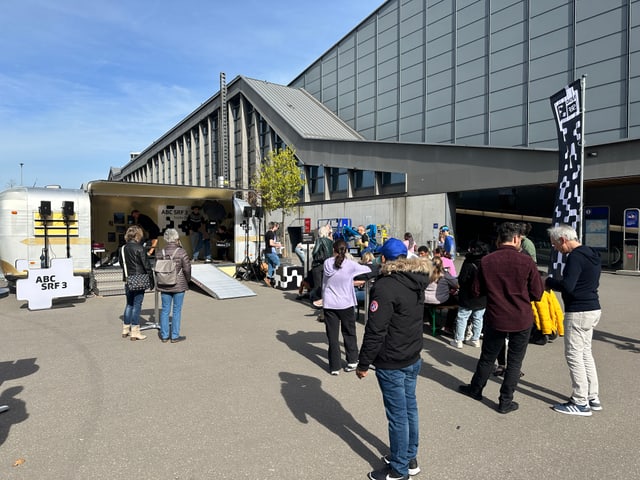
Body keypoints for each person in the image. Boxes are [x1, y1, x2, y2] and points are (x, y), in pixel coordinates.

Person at [356, 238, 431, 480]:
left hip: (393, 359)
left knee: (398, 414)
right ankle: (408, 456)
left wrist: (363, 363)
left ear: (385, 259)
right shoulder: (416, 279)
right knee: (409, 409)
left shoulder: (386, 286)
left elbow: (375, 329)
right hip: (412, 354)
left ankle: (399, 469)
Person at [458, 222, 543, 414]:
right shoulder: (527, 261)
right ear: (515, 238)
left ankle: (476, 389)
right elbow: (537, 293)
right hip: (521, 318)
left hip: (496, 316)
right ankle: (505, 401)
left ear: (500, 239)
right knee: (514, 362)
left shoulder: (487, 261)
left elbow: (476, 290)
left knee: (487, 358)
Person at [545, 224, 602, 416]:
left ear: (563, 240)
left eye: (555, 244)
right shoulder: (591, 254)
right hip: (593, 307)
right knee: (585, 353)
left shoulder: (575, 257)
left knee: (574, 355)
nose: (555, 248)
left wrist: (549, 281)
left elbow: (568, 286)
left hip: (578, 311)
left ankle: (580, 401)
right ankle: (592, 396)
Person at [322, 239, 373, 375]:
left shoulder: (327, 263)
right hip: (346, 303)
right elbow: (369, 269)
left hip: (330, 304)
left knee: (332, 337)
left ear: (333, 250)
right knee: (349, 333)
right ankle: (352, 361)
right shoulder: (351, 265)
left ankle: (334, 367)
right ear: (347, 251)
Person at [119, 225, 155, 341]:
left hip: (128, 279)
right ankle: (135, 332)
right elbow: (147, 266)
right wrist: (151, 280)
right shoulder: (140, 248)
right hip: (139, 279)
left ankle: (125, 329)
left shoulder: (122, 248)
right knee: (137, 305)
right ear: (137, 235)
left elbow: (121, 264)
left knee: (129, 304)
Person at [450, 240, 489, 349]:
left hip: (467, 295)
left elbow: (462, 279)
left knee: (462, 317)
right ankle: (475, 340)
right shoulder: (487, 262)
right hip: (482, 296)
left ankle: (458, 340)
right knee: (478, 318)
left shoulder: (468, 262)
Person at [157, 228, 191, 343]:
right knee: (177, 310)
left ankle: (164, 335)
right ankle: (175, 336)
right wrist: (188, 280)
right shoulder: (182, 252)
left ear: (166, 238)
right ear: (176, 238)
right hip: (179, 284)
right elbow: (187, 269)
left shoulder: (160, 252)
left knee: (165, 310)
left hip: (164, 284)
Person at [309, 225, 334, 302]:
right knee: (325, 284)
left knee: (317, 284)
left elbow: (315, 251)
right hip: (327, 264)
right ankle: (325, 299)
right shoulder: (330, 241)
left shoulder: (319, 240)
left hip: (318, 264)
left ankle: (317, 300)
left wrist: (314, 255)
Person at [263, 222, 282, 287]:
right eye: (277, 227)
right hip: (271, 252)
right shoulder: (271, 234)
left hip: (268, 251)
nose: (277, 229)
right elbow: (271, 243)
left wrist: (275, 244)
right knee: (278, 264)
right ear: (275, 226)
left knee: (270, 265)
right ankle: (275, 278)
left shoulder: (267, 233)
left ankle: (268, 278)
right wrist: (278, 245)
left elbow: (269, 243)